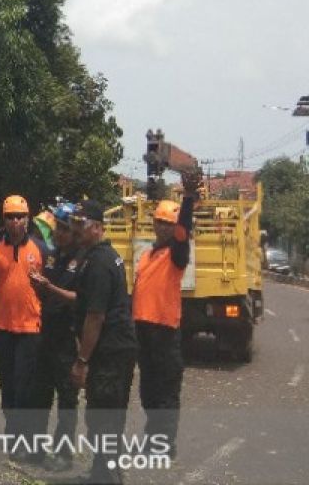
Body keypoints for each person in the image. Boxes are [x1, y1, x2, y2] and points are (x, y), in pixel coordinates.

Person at [70, 200, 137, 485]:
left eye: (81, 224)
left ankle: (108, 477)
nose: (76, 229)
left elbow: (95, 316)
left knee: (103, 418)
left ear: (97, 227)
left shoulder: (98, 263)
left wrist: (82, 361)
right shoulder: (104, 255)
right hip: (116, 350)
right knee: (107, 416)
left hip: (110, 352)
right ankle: (102, 473)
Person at [133, 171, 200, 459]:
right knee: (148, 391)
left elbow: (184, 231)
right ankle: (153, 437)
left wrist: (187, 198)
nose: (163, 227)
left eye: (168, 224)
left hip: (164, 331)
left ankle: (164, 444)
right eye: (159, 222)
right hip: (143, 330)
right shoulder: (148, 255)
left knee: (166, 390)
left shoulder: (176, 254)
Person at [0, 194, 48, 451]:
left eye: (19, 216)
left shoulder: (40, 250)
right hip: (3, 327)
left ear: (28, 219)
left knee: (25, 387)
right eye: (10, 217)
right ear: (4, 220)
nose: (15, 221)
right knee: (8, 385)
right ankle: (12, 436)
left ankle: (24, 438)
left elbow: (48, 289)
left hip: (30, 329)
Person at [26, 202, 82, 472]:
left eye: (65, 229)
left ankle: (63, 454)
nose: (60, 234)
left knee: (67, 399)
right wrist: (38, 286)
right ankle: (35, 449)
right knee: (39, 394)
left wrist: (50, 288)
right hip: (46, 334)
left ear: (75, 232)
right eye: (58, 228)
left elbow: (79, 300)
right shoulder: (52, 257)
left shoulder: (82, 261)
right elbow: (45, 291)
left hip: (68, 338)